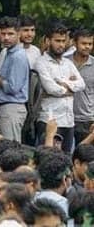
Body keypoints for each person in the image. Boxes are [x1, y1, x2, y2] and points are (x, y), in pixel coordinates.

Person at [34, 22, 85, 152]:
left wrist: (64, 83)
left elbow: (81, 84)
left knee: (67, 160)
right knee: (47, 159)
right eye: (57, 41)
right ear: (48, 40)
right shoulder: (41, 62)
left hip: (69, 121)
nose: (61, 44)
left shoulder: (68, 63)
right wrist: (70, 89)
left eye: (63, 41)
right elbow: (52, 88)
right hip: (50, 120)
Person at [0, 17, 30, 143]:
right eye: (3, 34)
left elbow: (12, 87)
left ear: (19, 34)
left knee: (10, 151)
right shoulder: (8, 53)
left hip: (11, 109)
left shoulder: (18, 56)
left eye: (10, 34)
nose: (6, 37)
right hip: (4, 108)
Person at [69, 28, 94, 144]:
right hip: (65, 116)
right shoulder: (64, 62)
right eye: (84, 43)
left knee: (85, 157)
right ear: (74, 43)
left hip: (87, 119)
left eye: (90, 44)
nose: (87, 47)